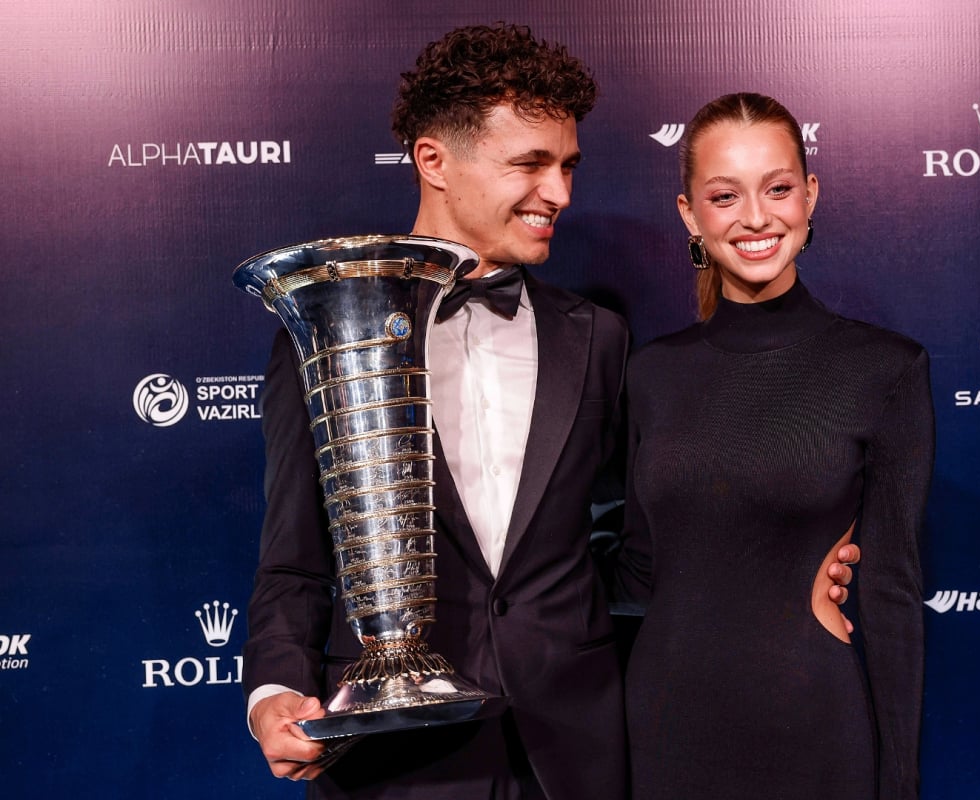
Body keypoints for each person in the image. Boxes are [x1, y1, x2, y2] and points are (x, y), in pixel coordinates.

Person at [242, 25, 859, 799]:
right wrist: (273, 694)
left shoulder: (597, 337)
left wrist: (794, 567)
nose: (561, 194)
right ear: (434, 160)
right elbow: (294, 561)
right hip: (397, 765)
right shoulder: (329, 332)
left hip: (577, 753)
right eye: (530, 164)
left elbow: (637, 544)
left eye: (567, 166)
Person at [618, 93, 934, 800]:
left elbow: (890, 594)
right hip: (666, 729)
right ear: (689, 214)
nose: (756, 218)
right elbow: (637, 573)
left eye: (779, 188)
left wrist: (901, 780)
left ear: (811, 195)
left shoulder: (884, 369)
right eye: (724, 195)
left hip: (816, 725)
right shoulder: (649, 373)